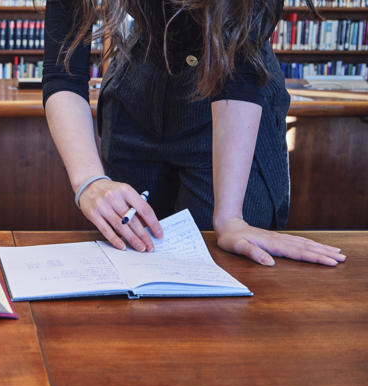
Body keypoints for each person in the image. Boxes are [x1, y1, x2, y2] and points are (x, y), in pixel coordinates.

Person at [43, 0, 345, 266]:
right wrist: (89, 182)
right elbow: (64, 71)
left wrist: (230, 218)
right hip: (138, 90)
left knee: (224, 270)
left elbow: (239, 73)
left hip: (231, 102)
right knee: (132, 264)